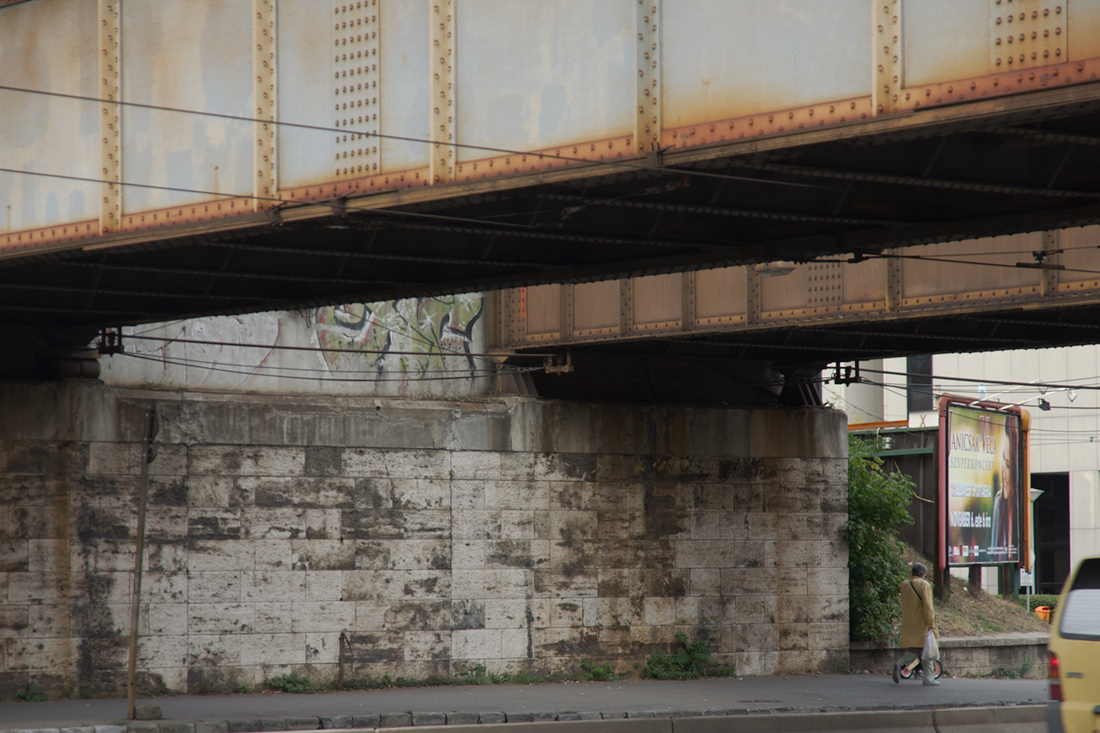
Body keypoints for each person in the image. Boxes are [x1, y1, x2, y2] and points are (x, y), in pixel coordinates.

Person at [893, 562, 940, 686]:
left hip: (909, 622)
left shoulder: (904, 585)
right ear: (923, 574)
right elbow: (928, 606)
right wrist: (931, 622)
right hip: (922, 622)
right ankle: (928, 678)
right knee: (927, 649)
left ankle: (900, 663)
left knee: (916, 648)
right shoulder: (924, 585)